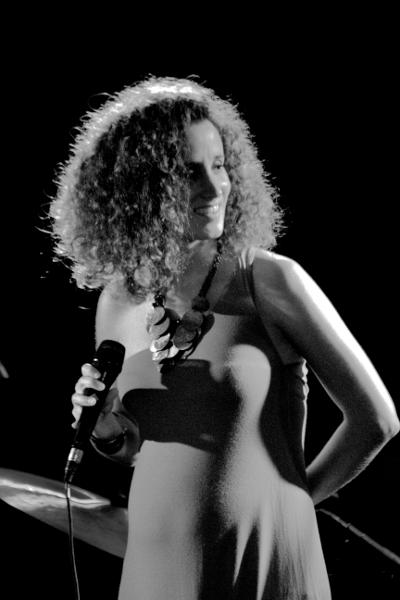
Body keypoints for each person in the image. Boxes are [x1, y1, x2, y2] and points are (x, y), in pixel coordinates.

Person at [49, 76, 399, 600]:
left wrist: (292, 503)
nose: (215, 188)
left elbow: (376, 421)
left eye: (219, 166)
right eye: (189, 172)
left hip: (262, 557)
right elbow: (138, 450)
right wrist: (105, 427)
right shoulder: (118, 301)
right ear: (139, 186)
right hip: (157, 561)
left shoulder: (270, 280)